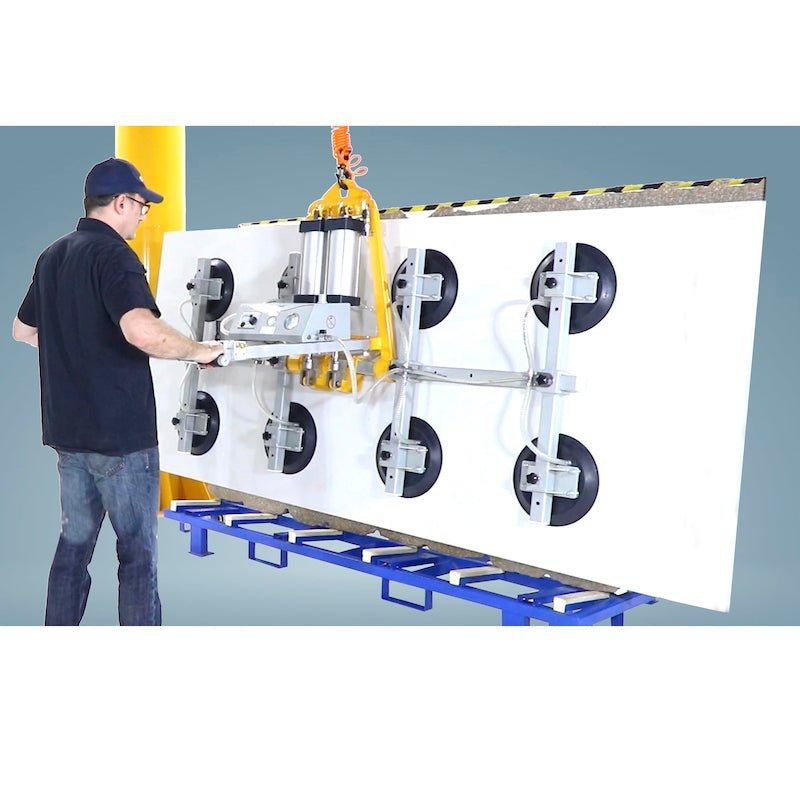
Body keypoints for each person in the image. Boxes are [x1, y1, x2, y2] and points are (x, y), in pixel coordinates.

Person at [12, 157, 223, 626]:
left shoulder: (53, 254)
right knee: (137, 556)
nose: (143, 216)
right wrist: (199, 351)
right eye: (143, 207)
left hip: (69, 437)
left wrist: (75, 343)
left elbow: (23, 330)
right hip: (122, 443)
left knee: (73, 548)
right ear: (122, 202)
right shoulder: (114, 256)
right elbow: (142, 332)